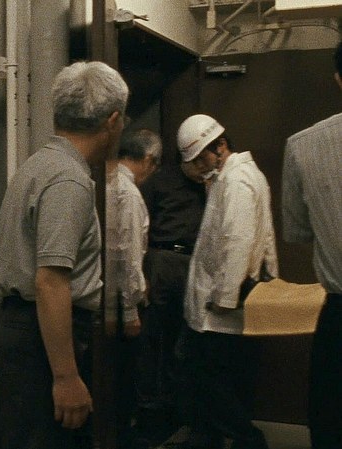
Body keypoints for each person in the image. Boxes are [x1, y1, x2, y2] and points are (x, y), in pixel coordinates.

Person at [0, 61, 129, 449]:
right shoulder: (68, 179)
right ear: (113, 121)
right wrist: (65, 377)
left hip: (20, 331)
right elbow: (50, 281)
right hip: (39, 340)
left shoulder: (39, 165)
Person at [177, 114, 277, 449]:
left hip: (221, 308)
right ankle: (213, 440)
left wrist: (225, 297)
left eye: (201, 158)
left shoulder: (236, 181)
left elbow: (237, 242)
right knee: (223, 382)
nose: (198, 167)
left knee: (214, 382)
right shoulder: (234, 177)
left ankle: (251, 440)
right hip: (222, 304)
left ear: (220, 145)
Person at [281, 40, 342, 449]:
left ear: (338, 79)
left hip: (339, 316)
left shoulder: (303, 145)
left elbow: (298, 231)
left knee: (331, 428)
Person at [134, 156, 208, 447]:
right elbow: (141, 225)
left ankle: (184, 413)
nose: (202, 168)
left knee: (188, 341)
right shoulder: (160, 181)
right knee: (152, 338)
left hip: (195, 260)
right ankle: (151, 413)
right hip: (162, 258)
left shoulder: (214, 183)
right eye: (196, 162)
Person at [105, 129, 162, 448]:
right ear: (149, 160)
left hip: (108, 296)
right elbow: (126, 252)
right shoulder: (128, 193)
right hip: (121, 302)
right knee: (126, 378)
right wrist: (131, 310)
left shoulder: (109, 182)